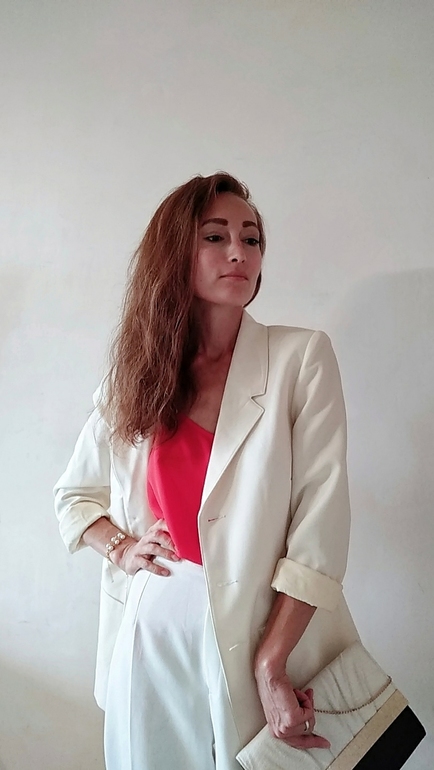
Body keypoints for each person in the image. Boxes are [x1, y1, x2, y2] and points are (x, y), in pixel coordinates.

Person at [54, 172, 359, 770]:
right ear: (175, 254)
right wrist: (121, 548)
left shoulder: (300, 359)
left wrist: (271, 663)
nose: (239, 252)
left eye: (251, 238)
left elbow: (321, 526)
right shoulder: (136, 377)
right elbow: (75, 496)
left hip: (260, 630)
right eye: (215, 237)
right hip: (153, 630)